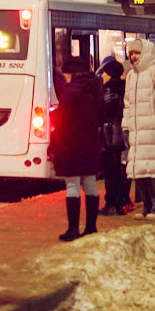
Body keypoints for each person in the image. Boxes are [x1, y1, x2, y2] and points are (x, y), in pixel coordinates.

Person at [50, 57, 103, 241]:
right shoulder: (96, 89)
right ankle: (91, 227)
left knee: (72, 185)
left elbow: (63, 118)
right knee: (90, 183)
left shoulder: (70, 91)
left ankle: (73, 229)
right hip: (90, 143)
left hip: (71, 143)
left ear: (71, 73)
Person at [122, 39, 155, 219]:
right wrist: (126, 126)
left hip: (151, 130)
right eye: (131, 54)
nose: (134, 57)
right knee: (140, 171)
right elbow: (127, 103)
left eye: (137, 53)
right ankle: (148, 206)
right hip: (137, 132)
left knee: (153, 170)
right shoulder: (131, 76)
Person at [96, 57, 130, 217]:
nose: (102, 76)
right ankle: (118, 203)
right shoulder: (124, 89)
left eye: (104, 73)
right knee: (116, 171)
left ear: (110, 74)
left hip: (110, 136)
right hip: (119, 136)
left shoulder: (109, 92)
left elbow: (100, 114)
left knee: (110, 173)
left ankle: (111, 204)